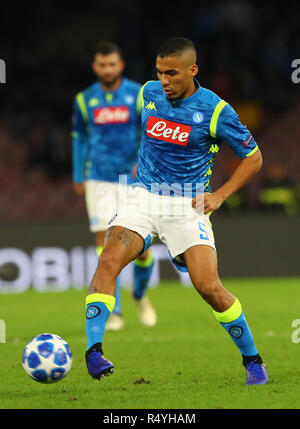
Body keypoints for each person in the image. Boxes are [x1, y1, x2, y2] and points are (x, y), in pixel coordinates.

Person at [84, 37, 268, 385]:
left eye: (172, 73)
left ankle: (253, 360)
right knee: (108, 261)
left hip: (187, 205)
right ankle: (94, 352)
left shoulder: (215, 110)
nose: (164, 80)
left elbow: (254, 158)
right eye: (159, 72)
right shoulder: (149, 94)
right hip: (142, 198)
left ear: (192, 70)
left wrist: (221, 195)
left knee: (208, 287)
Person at [72, 41, 157, 331]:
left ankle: (141, 295)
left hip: (132, 178)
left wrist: (145, 165)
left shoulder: (137, 94)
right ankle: (115, 310)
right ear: (95, 67)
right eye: (102, 64)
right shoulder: (85, 99)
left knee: (142, 249)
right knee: (104, 245)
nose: (107, 69)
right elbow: (79, 138)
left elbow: (149, 132)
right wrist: (77, 175)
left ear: (120, 66)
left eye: (112, 64)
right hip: (98, 178)